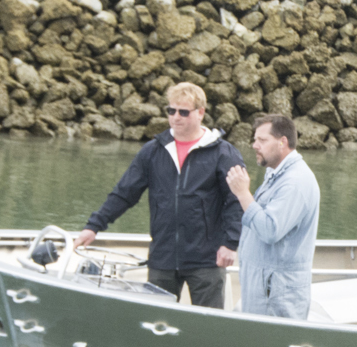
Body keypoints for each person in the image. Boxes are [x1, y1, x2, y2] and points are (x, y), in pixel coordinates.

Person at [74, 82, 243, 308]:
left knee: (207, 328)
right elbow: (125, 193)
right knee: (155, 321)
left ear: (201, 113)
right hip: (162, 257)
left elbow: (236, 201)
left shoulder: (224, 153)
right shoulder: (152, 151)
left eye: (184, 112)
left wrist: (230, 243)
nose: (176, 117)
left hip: (207, 260)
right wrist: (94, 225)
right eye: (171, 111)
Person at [226, 114, 320, 319]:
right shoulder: (276, 173)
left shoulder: (295, 182)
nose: (254, 145)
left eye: (262, 140)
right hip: (264, 293)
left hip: (275, 297)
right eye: (254, 139)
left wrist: (243, 193)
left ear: (282, 142)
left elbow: (270, 230)